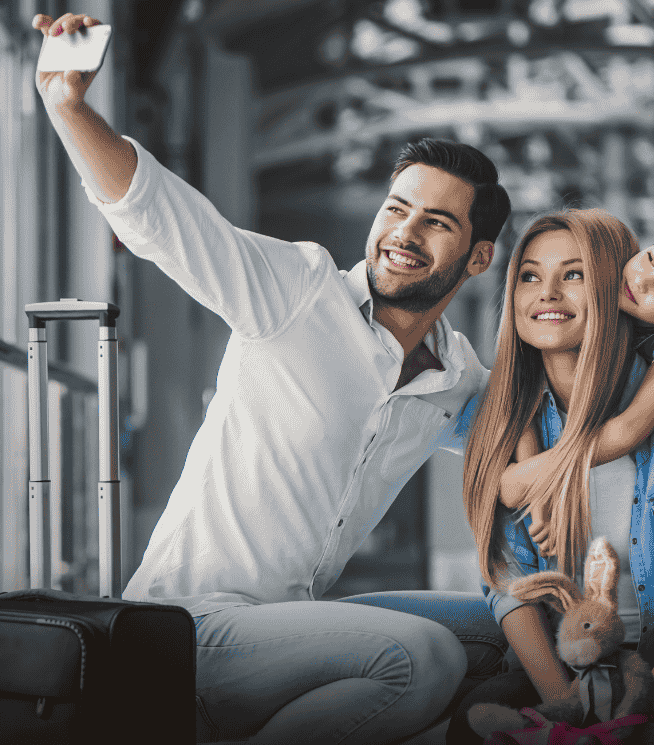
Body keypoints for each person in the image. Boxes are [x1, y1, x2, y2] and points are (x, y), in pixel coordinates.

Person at [31, 11, 513, 744]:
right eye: (396, 209)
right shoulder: (297, 289)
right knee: (422, 659)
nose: (404, 235)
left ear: (478, 258)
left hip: (289, 622)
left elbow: (544, 430)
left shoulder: (456, 377)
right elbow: (161, 217)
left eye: (437, 223)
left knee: (506, 625)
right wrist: (68, 104)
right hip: (190, 627)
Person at [448, 211, 654, 745]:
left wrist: (647, 696)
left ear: (603, 280)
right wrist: (565, 700)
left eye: (572, 275)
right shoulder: (502, 412)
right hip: (565, 657)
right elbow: (509, 581)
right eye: (528, 275)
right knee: (475, 716)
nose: (546, 293)